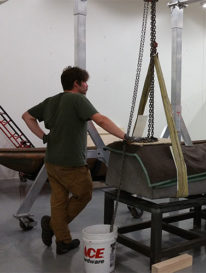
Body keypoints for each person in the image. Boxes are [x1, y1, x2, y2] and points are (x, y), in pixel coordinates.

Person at [22, 66, 133, 255]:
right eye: (85, 82)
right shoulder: (78, 99)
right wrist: (126, 137)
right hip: (71, 162)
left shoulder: (51, 101)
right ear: (77, 83)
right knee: (84, 194)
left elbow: (27, 116)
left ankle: (63, 241)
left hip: (52, 160)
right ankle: (51, 225)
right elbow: (102, 120)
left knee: (58, 200)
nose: (87, 86)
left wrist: (43, 136)